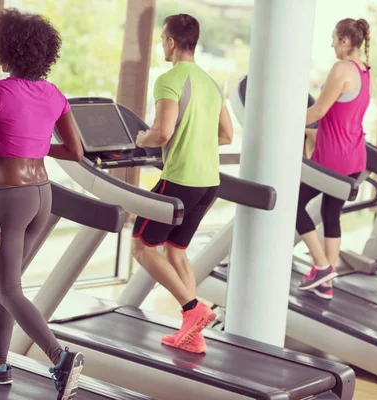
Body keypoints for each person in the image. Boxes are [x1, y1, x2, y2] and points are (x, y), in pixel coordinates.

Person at [0, 8, 84, 399]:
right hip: (43, 194)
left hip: (10, 197)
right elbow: (76, 152)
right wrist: (32, 143)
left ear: (5, 49)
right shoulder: (55, 95)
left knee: (8, 287)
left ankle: (60, 358)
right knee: (4, 284)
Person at [132, 13, 234, 354]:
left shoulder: (169, 79)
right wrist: (198, 140)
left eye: (163, 39)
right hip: (209, 182)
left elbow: (162, 131)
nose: (162, 45)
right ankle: (194, 336)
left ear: (172, 42)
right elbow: (227, 134)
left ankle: (194, 309)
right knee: (176, 252)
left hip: (180, 178)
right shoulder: (210, 82)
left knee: (142, 247)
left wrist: (141, 138)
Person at [296, 18, 371, 300]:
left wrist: (283, 122)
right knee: (330, 213)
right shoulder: (364, 72)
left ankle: (322, 265)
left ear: (344, 40)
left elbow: (317, 112)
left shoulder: (341, 69)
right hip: (354, 159)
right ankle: (326, 283)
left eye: (333, 39)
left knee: (294, 203)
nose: (331, 44)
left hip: (333, 160)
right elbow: (341, 116)